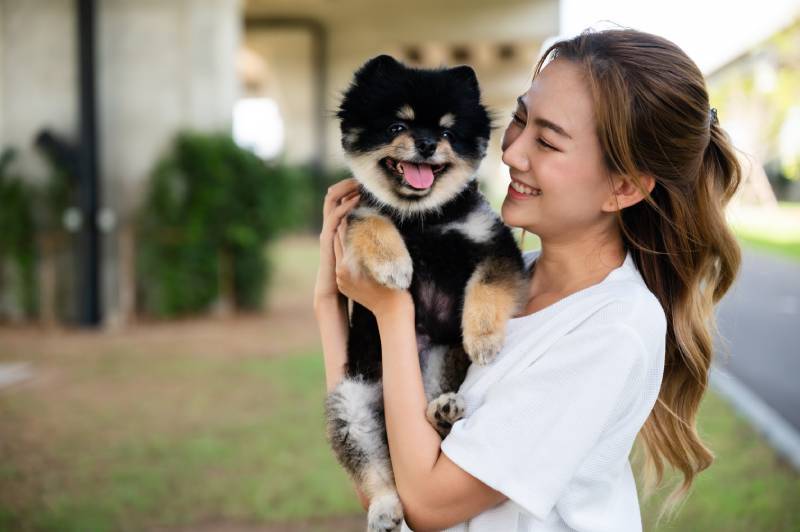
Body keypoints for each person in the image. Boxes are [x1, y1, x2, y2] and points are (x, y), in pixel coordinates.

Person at [313, 27, 742, 532]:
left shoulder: (609, 331)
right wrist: (328, 301)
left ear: (623, 186)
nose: (512, 153)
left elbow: (427, 505)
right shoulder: (510, 279)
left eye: (547, 140)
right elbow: (385, 486)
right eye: (519, 119)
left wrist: (391, 309)